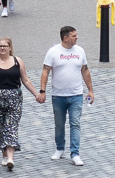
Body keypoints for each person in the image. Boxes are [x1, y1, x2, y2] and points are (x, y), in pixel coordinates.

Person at [38, 25, 94, 166]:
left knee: (75, 123)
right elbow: (46, 71)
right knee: (59, 124)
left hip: (76, 94)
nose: (77, 38)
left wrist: (90, 90)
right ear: (66, 38)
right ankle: (59, 148)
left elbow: (85, 71)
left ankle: (75, 153)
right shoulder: (53, 52)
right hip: (58, 95)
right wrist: (42, 91)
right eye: (74, 36)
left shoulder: (80, 51)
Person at [0, 35, 39, 170]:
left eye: (4, 46)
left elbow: (25, 80)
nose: (2, 48)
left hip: (14, 97)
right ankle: (4, 154)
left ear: (10, 48)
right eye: (0, 46)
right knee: (0, 127)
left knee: (11, 126)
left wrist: (36, 94)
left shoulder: (17, 61)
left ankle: (10, 158)